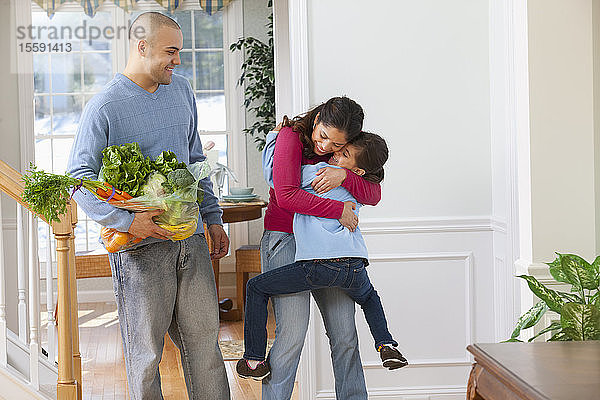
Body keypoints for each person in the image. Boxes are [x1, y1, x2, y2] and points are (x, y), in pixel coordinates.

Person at [66, 12, 230, 400]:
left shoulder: (182, 90)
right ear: (142, 47)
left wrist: (213, 217)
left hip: (189, 240)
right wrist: (126, 221)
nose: (178, 61)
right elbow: (78, 178)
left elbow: (194, 160)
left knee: (206, 346)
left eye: (180, 52)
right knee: (146, 356)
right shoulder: (104, 106)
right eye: (170, 52)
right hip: (139, 252)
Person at [236, 132, 407, 380]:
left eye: (344, 152)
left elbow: (275, 178)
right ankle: (386, 345)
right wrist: (347, 175)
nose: (335, 152)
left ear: (357, 170)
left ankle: (253, 360)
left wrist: (274, 139)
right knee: (369, 297)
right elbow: (374, 194)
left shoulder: (321, 173)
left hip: (319, 265)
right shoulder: (359, 186)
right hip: (355, 267)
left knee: (256, 287)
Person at [259, 97, 381, 400]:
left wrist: (346, 174)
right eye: (323, 136)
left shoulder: (345, 154)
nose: (326, 147)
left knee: (345, 335)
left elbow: (374, 192)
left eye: (337, 145)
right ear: (316, 121)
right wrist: (338, 210)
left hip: (330, 247)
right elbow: (286, 195)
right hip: (286, 239)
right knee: (291, 335)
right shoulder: (290, 137)